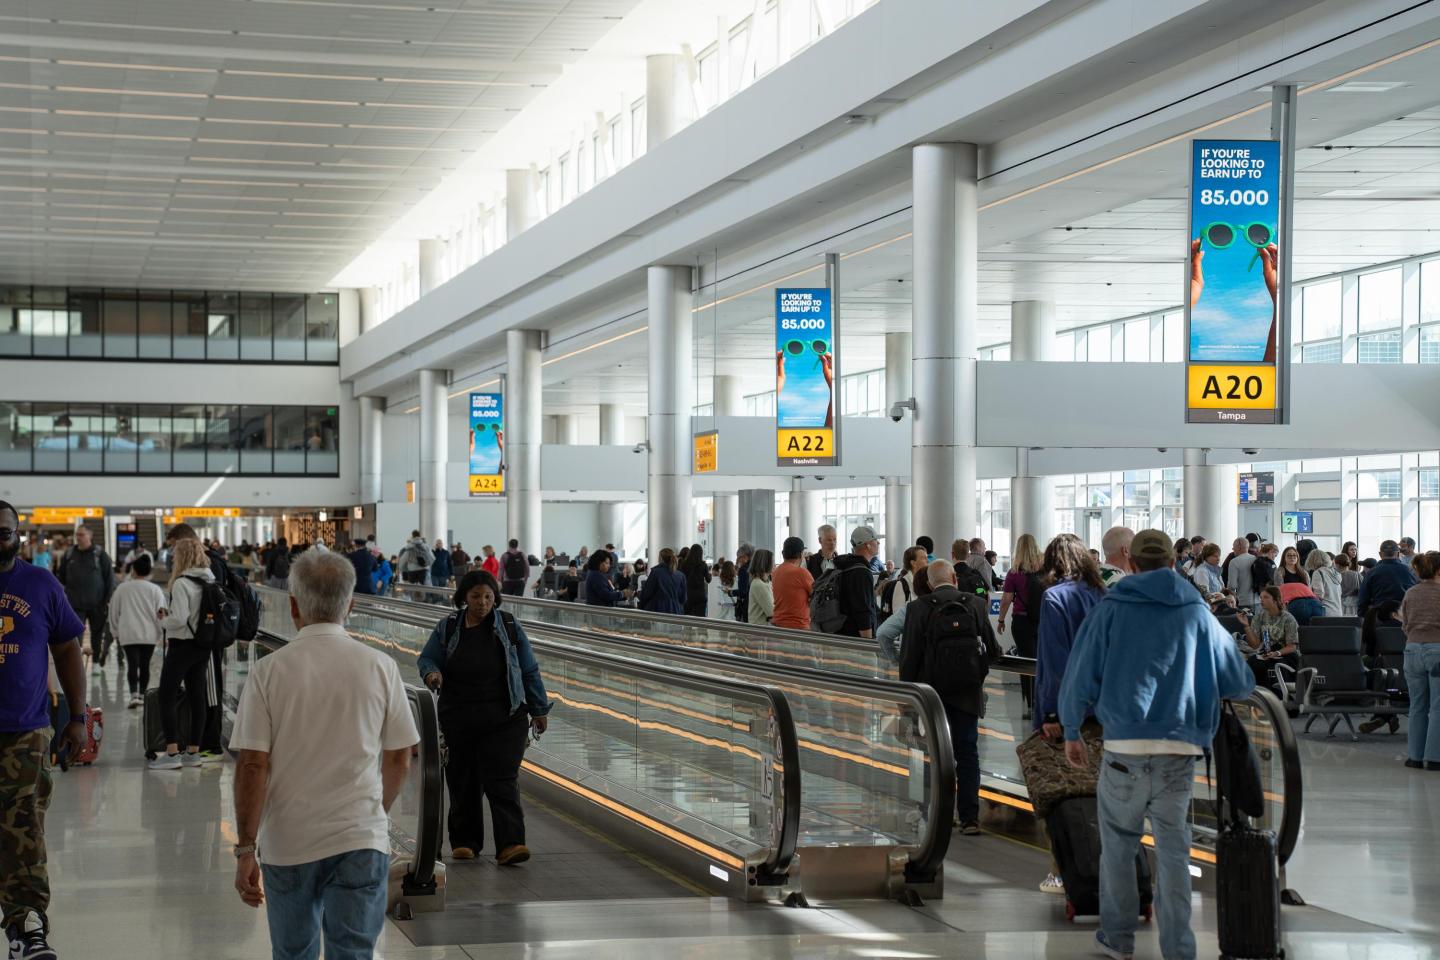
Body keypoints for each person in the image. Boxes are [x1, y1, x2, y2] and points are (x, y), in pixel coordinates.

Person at [1058, 528, 1255, 960]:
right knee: (1173, 851)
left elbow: (1079, 673)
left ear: (1131, 563)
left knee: (1118, 848)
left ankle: (1118, 939)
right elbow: (1241, 682)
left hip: (1123, 749)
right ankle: (1179, 948)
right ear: (1172, 562)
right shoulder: (1197, 611)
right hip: (1180, 750)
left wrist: (1072, 731)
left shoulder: (1111, 609)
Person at [230, 550, 418, 959]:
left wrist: (246, 847)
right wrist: (374, 811)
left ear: (293, 606)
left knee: (294, 953)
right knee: (353, 952)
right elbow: (401, 757)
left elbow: (253, 765)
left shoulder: (269, 671)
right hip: (360, 838)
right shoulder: (381, 667)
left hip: (289, 841)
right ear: (350, 606)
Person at [0, 502, 88, 960]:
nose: (0, 540)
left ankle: (26, 928)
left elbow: (68, 649)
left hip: (25, 731)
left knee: (23, 829)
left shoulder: (40, 584)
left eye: (5, 532)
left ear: (18, 536)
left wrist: (78, 717)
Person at [419, 569, 550, 864]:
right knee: (462, 781)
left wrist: (539, 709)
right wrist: (432, 672)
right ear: (464, 597)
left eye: (489, 596)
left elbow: (529, 670)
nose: (482, 602)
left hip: (505, 718)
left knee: (502, 780)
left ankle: (511, 844)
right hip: (459, 719)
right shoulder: (449, 627)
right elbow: (427, 657)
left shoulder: (509, 625)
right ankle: (465, 843)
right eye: (476, 596)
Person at [899, 559, 1000, 837]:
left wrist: (906, 695)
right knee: (967, 753)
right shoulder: (975, 605)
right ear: (954, 578)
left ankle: (934, 815)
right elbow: (993, 650)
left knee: (931, 753)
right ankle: (969, 818)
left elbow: (909, 657)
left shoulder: (918, 608)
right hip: (967, 693)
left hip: (931, 695)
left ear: (930, 584)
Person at [148, 539, 220, 770]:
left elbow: (179, 619)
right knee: (196, 695)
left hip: (182, 646)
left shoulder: (181, 583)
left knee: (167, 695)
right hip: (203, 645)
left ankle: (171, 754)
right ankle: (193, 752)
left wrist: (163, 619)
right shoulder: (209, 577)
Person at [1035, 534, 1106, 736]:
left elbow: (1055, 661)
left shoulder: (1054, 597)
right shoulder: (1104, 594)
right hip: (1103, 706)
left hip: (1070, 709)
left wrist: (1052, 712)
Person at [1397, 551, 1440, 770]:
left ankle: (1414, 757)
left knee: (1417, 706)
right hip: (1437, 651)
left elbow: (1405, 625)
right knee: (1438, 707)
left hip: (1412, 650)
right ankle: (1434, 759)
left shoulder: (1411, 593)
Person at [107, 554, 166, 708]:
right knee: (145, 665)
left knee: (132, 664)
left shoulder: (122, 588)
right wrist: (162, 633)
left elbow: (113, 611)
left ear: (133, 570)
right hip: (150, 634)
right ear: (148, 571)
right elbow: (161, 613)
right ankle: (142, 694)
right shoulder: (155, 589)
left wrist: (114, 631)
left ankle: (134, 695)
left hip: (128, 633)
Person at [55, 525, 115, 675]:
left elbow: (109, 579)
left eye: (81, 534)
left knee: (96, 635)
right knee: (75, 637)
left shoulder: (100, 554)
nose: (78, 537)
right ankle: (76, 665)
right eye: (77, 535)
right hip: (74, 605)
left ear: (90, 535)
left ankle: (95, 663)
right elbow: (61, 577)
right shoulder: (69, 554)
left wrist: (107, 601)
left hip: (97, 604)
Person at [998, 533, 1044, 714]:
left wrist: (1001, 620)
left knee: (1026, 661)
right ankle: (1043, 699)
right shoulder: (1046, 570)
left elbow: (1006, 599)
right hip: (1043, 620)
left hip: (1022, 621)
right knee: (1043, 660)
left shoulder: (1014, 573)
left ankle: (1029, 702)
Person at [1237, 585, 1300, 690]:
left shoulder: (1288, 618)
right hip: (1267, 654)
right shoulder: (1259, 616)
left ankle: (1278, 697)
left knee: (1275, 667)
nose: (1262, 600)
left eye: (1266, 597)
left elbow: (1292, 647)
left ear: (1276, 600)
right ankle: (1256, 696)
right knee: (1252, 663)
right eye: (1261, 597)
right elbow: (1255, 645)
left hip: (1285, 655)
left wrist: (1277, 653)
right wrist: (1246, 626)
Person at [1358, 540, 1419, 619]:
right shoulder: (1408, 571)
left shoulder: (1372, 572)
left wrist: (1362, 616)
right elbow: (1413, 596)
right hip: (1402, 618)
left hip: (1378, 618)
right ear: (1397, 554)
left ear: (1380, 554)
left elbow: (1363, 599)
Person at [771, 537, 813, 631]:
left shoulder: (776, 572)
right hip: (799, 627)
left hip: (778, 625)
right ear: (800, 554)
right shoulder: (801, 573)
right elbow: (816, 596)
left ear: (783, 553)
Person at [880, 546, 926, 620]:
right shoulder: (902, 585)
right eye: (923, 558)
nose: (927, 561)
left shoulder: (925, 582)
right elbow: (898, 618)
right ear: (913, 563)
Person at [638, 548, 686, 614]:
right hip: (676, 612)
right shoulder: (681, 575)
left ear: (661, 558)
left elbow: (646, 593)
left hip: (658, 611)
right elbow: (683, 599)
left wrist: (641, 607)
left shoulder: (656, 573)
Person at [1225, 536, 1259, 612]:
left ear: (1239, 547)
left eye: (1233, 547)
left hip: (1244, 601)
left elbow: (1232, 585)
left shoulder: (1234, 562)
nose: (1233, 549)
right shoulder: (1256, 559)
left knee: (1246, 623)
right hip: (1259, 601)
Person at [1306, 550, 1343, 617]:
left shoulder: (1318, 573)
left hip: (1326, 612)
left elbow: (1319, 594)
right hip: (1338, 612)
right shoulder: (1336, 573)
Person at [680, 544, 711, 617]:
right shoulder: (703, 565)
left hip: (688, 595)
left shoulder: (684, 564)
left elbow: (682, 579)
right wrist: (709, 574)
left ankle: (687, 629)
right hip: (700, 595)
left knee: (687, 618)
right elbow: (708, 580)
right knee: (701, 618)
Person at [748, 549, 775, 624]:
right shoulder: (759, 584)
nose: (774, 565)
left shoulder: (766, 583)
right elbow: (772, 612)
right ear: (766, 563)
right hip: (760, 632)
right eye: (773, 562)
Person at [733, 544, 753, 623]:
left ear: (745, 556)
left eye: (739, 557)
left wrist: (731, 592)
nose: (738, 559)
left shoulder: (743, 570)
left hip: (745, 605)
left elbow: (743, 591)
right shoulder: (754, 567)